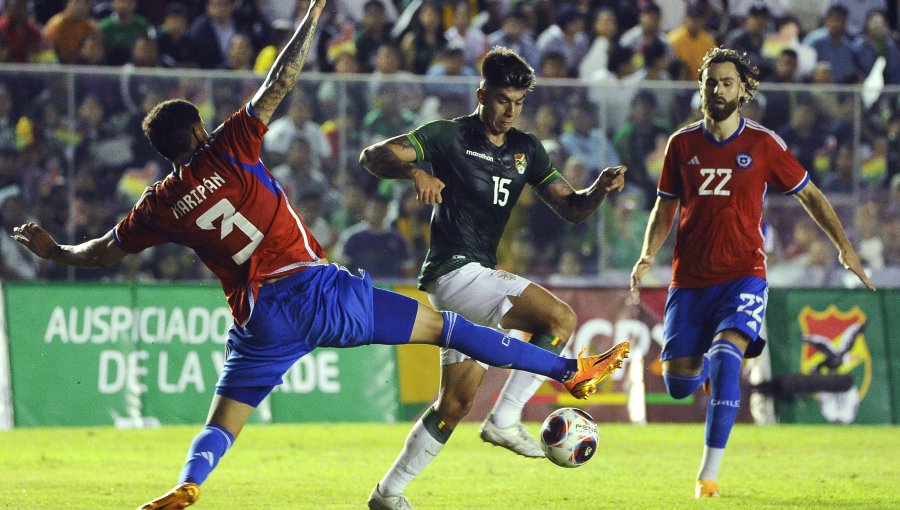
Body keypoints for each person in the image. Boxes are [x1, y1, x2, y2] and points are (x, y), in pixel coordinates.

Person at [12, 3, 626, 509]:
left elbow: (100, 253)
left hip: (260, 320)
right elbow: (279, 80)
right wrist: (313, 13)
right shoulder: (229, 148)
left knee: (223, 422)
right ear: (200, 132)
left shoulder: (159, 204)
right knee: (450, 330)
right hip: (319, 292)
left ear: (164, 153)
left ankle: (190, 482)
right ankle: (565, 372)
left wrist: (52, 249)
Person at [359, 46, 631, 510]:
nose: (511, 111)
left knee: (454, 406)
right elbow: (372, 155)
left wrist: (599, 190)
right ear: (482, 94)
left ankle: (388, 492)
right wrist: (414, 172)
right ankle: (505, 417)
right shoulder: (447, 136)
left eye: (520, 102)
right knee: (560, 319)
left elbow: (569, 207)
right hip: (454, 272)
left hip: (472, 280)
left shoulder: (527, 149)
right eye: (503, 100)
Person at [629, 47, 875, 500]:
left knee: (727, 356)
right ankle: (702, 367)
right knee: (679, 385)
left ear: (743, 90)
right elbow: (666, 206)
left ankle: (708, 476)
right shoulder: (680, 145)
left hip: (744, 275)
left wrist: (844, 246)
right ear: (700, 88)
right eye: (710, 83)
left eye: (726, 83)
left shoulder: (763, 144)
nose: (717, 90)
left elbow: (811, 195)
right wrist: (647, 254)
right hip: (690, 281)